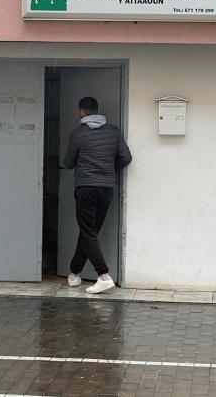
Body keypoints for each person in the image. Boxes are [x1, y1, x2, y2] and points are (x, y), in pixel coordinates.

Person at [64, 96, 132, 294]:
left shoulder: (78, 134)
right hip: (106, 189)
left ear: (81, 112)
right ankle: (74, 272)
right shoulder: (113, 132)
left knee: (88, 233)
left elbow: (68, 163)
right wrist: (109, 168)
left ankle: (103, 276)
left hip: (86, 187)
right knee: (90, 232)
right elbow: (126, 158)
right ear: (96, 110)